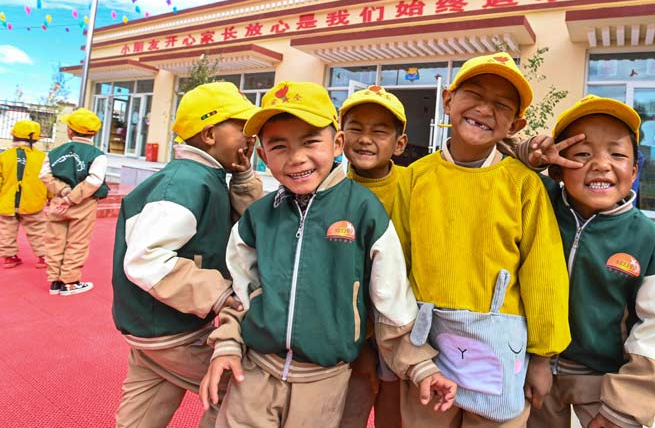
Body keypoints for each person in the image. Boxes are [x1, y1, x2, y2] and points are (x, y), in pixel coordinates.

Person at [199, 81, 457, 428]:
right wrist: (228, 345)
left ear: (337, 144)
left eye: (309, 142)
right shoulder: (258, 217)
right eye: (279, 146)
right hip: (255, 371)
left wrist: (420, 365)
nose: (296, 157)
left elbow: (392, 301)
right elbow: (240, 292)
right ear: (262, 154)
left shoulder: (364, 210)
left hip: (324, 382)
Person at [397, 52, 571, 428]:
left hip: (499, 349)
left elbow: (544, 274)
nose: (484, 109)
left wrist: (542, 358)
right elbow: (397, 266)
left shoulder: (524, 185)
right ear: (448, 100)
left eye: (501, 105)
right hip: (427, 347)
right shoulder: (414, 178)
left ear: (516, 124)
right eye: (474, 95)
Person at [516, 95, 655, 428]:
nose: (600, 164)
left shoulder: (646, 239)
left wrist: (623, 409)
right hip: (530, 367)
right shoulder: (537, 202)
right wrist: (529, 155)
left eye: (617, 154)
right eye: (582, 154)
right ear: (558, 168)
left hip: (602, 378)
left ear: (634, 170)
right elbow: (491, 161)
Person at [111, 82, 262, 428]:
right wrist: (218, 293)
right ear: (209, 135)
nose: (251, 137)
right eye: (243, 128)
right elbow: (146, 259)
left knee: (143, 411)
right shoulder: (185, 183)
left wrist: (243, 177)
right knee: (243, 392)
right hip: (172, 331)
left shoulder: (205, 176)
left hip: (151, 327)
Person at [338, 85, 410, 428]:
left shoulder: (415, 184)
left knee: (393, 417)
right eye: (356, 128)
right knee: (347, 415)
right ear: (340, 137)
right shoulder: (329, 190)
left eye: (379, 131)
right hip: (350, 334)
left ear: (400, 144)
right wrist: (363, 345)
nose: (365, 139)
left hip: (403, 331)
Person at [40, 108, 108, 296]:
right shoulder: (97, 155)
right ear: (94, 133)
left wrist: (63, 191)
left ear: (70, 130)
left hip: (58, 201)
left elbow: (44, 175)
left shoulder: (54, 153)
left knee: (54, 240)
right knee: (77, 242)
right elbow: (94, 180)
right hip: (84, 203)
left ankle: (54, 281)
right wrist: (72, 198)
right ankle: (69, 282)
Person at [0, 120, 48, 269]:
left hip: (7, 202)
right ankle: (44, 256)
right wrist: (51, 196)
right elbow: (48, 178)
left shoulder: (4, 156)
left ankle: (9, 257)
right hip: (33, 201)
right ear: (35, 139)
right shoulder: (42, 157)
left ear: (13, 136)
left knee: (6, 230)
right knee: (38, 230)